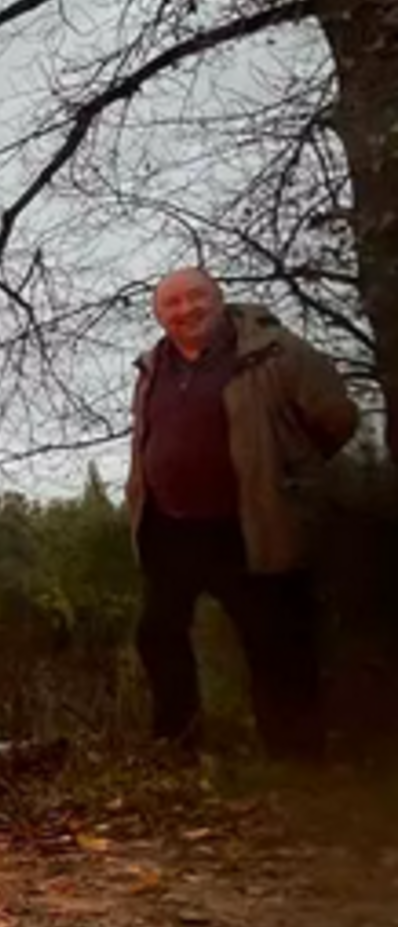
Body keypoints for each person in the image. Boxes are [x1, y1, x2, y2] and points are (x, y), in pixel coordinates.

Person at [123, 266, 359, 762]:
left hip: (251, 522)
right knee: (158, 634)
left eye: (196, 297)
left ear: (218, 297)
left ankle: (298, 762)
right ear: (159, 315)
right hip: (171, 528)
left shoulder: (274, 351)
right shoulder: (153, 367)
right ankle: (177, 748)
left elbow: (336, 417)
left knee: (275, 641)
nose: (186, 310)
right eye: (172, 304)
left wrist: (286, 477)